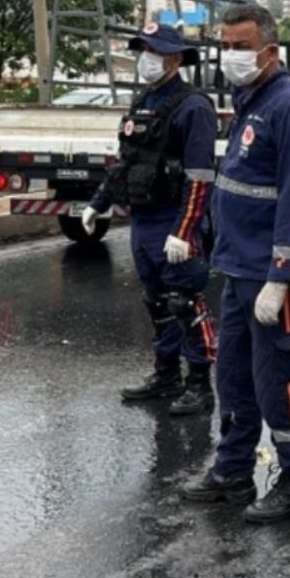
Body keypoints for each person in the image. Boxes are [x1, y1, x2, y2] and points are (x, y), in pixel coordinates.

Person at [182, 3, 290, 524]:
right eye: (226, 45)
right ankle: (233, 469)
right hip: (238, 265)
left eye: (240, 47)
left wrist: (283, 279)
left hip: (269, 276)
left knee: (279, 378)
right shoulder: (252, 101)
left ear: (269, 50)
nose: (230, 56)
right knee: (235, 375)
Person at [83, 24, 218, 414]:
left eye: (154, 52)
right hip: (143, 219)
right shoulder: (143, 101)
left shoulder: (193, 107)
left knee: (185, 303)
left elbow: (200, 177)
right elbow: (127, 161)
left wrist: (185, 230)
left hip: (175, 219)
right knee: (156, 302)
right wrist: (99, 202)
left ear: (175, 59)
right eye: (143, 50)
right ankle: (165, 375)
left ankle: (199, 384)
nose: (146, 59)